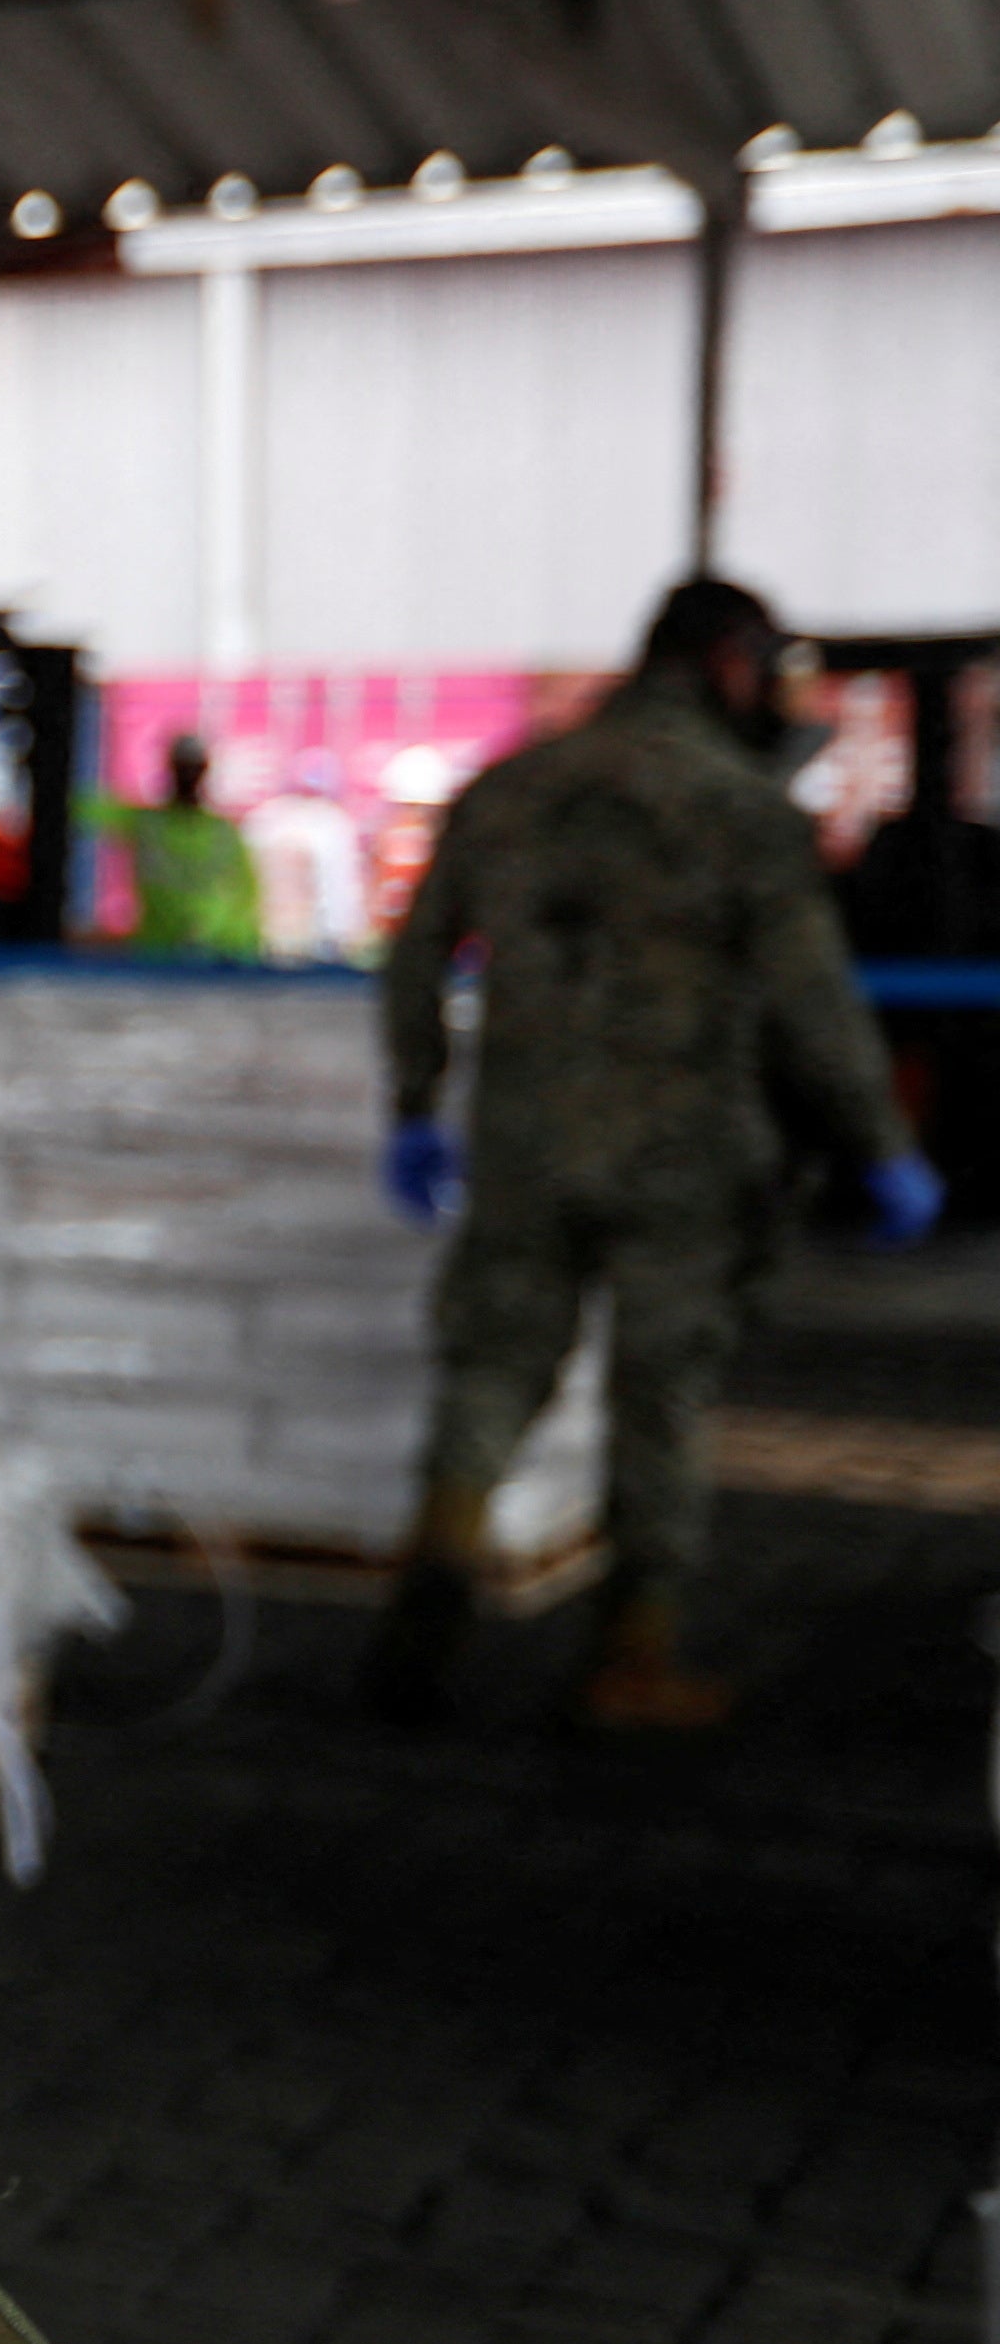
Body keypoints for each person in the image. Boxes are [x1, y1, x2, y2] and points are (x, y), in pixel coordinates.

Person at [367, 578, 942, 1727]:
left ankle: (428, 1601)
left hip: (526, 1143)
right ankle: (631, 1659)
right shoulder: (741, 811)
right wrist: (881, 1141)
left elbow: (418, 954)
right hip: (683, 1156)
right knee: (662, 1394)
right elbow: (810, 999)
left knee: (492, 1368)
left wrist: (420, 1106)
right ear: (728, 664)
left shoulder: (511, 786)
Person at [81, 733, 263, 960]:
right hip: (157, 955)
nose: (188, 776)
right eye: (183, 768)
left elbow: (246, 896)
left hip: (215, 958)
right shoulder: (146, 822)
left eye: (193, 768)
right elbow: (80, 807)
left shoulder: (223, 832)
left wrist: (242, 955)